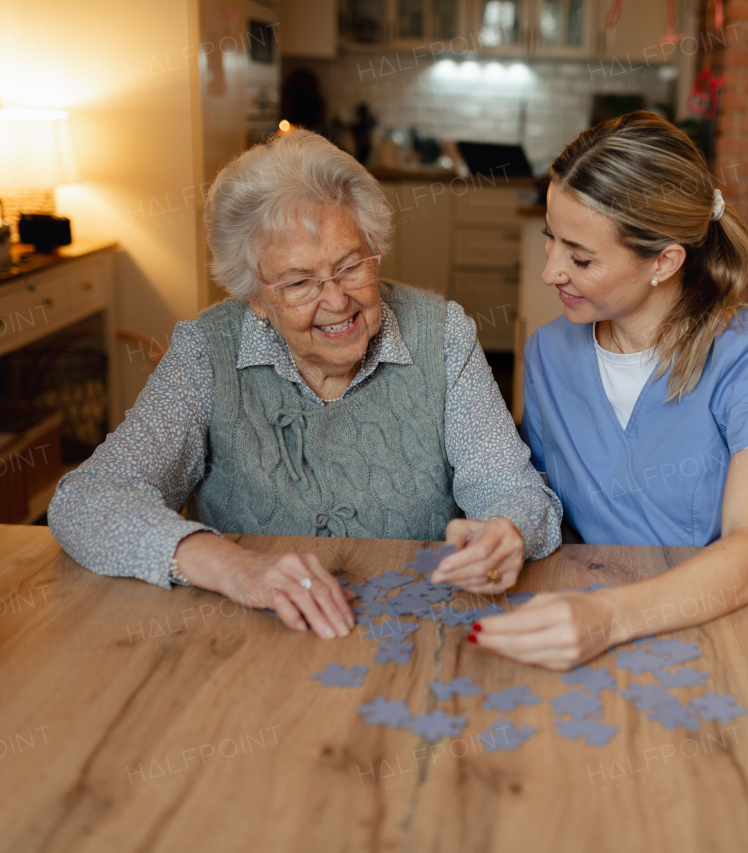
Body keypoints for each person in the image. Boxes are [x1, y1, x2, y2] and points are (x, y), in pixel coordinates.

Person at [49, 130, 562, 640]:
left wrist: (506, 531)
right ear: (254, 296)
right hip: (247, 634)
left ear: (374, 250)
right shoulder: (207, 351)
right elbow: (86, 498)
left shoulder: (443, 335)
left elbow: (514, 489)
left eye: (350, 266)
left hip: (409, 632)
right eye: (299, 283)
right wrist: (236, 568)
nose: (337, 301)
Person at [456, 112, 748, 670]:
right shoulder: (549, 353)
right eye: (550, 240)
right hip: (582, 617)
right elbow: (543, 500)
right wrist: (505, 534)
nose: (550, 271)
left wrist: (608, 618)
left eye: (580, 257)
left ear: (665, 261)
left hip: (720, 621)